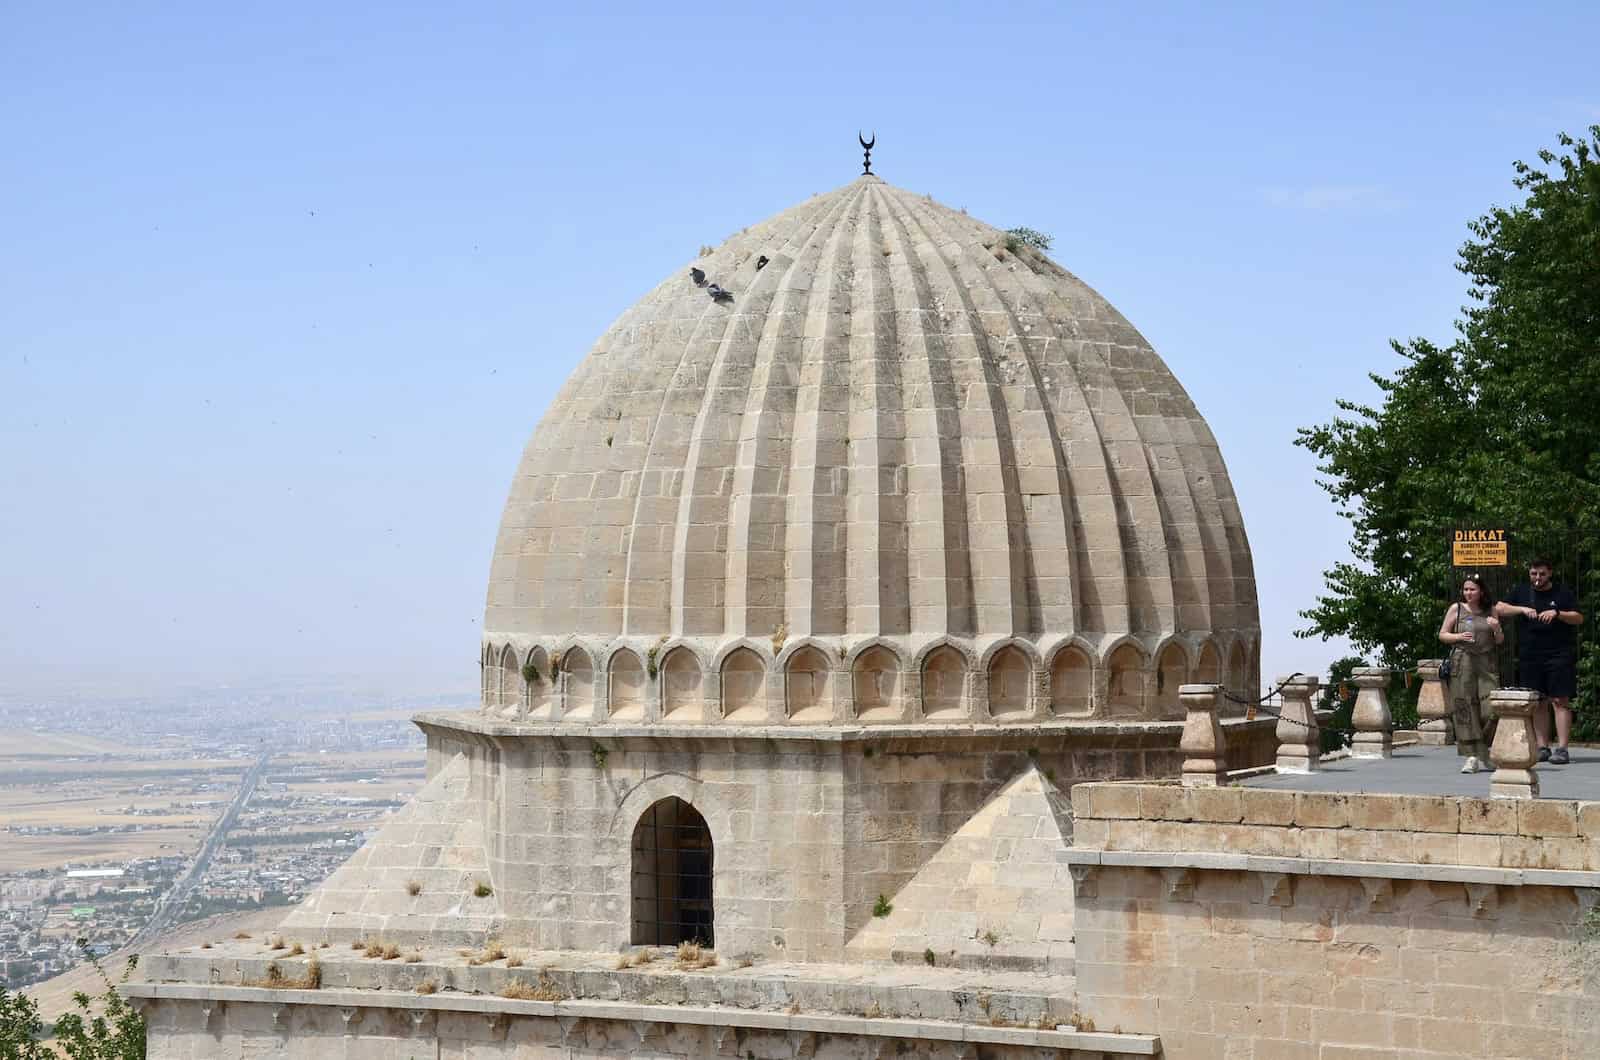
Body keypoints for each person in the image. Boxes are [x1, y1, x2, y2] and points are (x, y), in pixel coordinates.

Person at [1495, 558, 1585, 764]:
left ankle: (1562, 749)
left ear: (1550, 573)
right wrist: (1522, 609)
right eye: (1534, 574)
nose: (1538, 578)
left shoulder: (1562, 593)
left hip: (1558, 654)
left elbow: (1578, 618)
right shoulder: (1521, 592)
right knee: (1538, 702)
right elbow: (1498, 608)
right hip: (1530, 655)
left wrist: (1558, 613)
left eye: (1542, 574)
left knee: (1560, 700)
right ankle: (1542, 746)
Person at [1440, 575, 1503, 773]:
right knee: (1464, 707)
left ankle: (1483, 749)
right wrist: (1458, 636)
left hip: (1486, 662)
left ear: (1481, 591)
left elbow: (1499, 640)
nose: (1468, 593)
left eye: (1472, 589)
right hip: (1463, 660)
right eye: (1466, 589)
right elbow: (1442, 634)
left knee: (1491, 709)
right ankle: (1472, 756)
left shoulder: (1490, 610)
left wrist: (1496, 628)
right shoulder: (1456, 609)